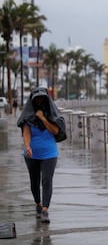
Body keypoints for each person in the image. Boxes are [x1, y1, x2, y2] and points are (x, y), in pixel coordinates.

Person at [16, 87, 66, 223]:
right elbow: (26, 133)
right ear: (32, 100)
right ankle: (38, 204)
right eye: (36, 98)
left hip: (49, 153)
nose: (39, 101)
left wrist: (43, 118)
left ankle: (45, 210)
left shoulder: (51, 113)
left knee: (47, 180)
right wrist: (27, 147)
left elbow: (56, 130)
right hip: (31, 154)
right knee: (34, 181)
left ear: (46, 99)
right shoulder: (28, 115)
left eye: (41, 98)